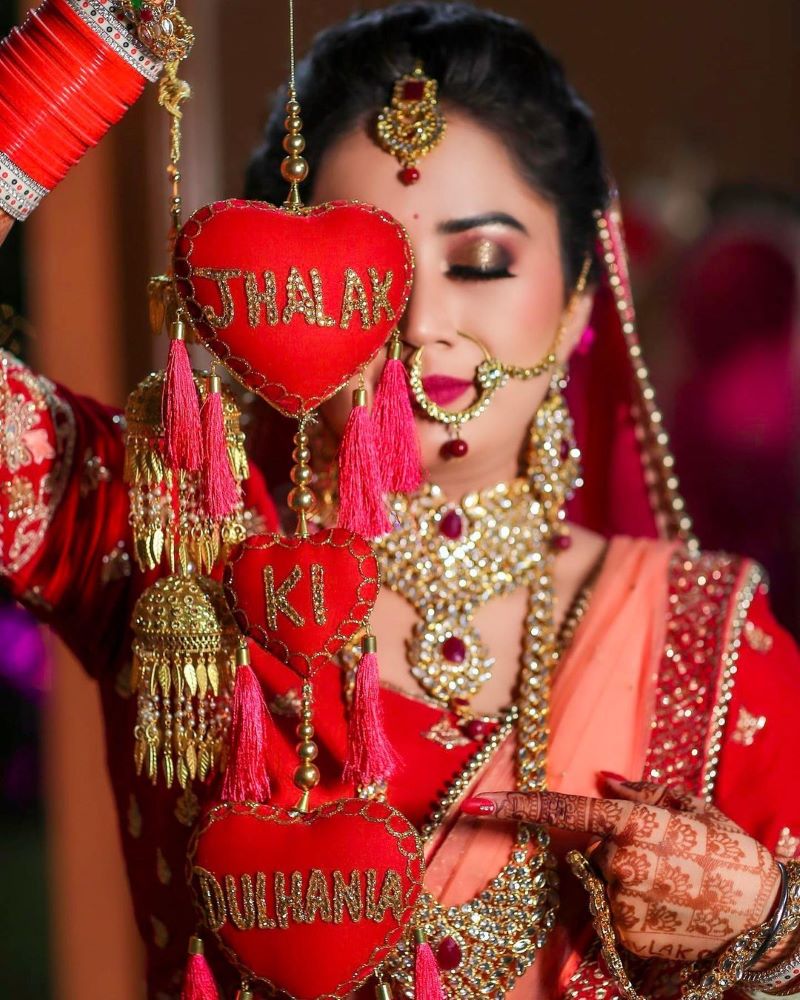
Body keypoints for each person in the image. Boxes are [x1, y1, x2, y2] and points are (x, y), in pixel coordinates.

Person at [1, 3, 798, 998]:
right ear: (256, 311)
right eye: (359, 279)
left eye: (478, 264)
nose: (423, 325)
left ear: (580, 300)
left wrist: (769, 933)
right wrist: (92, 33)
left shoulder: (711, 640)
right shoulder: (160, 538)